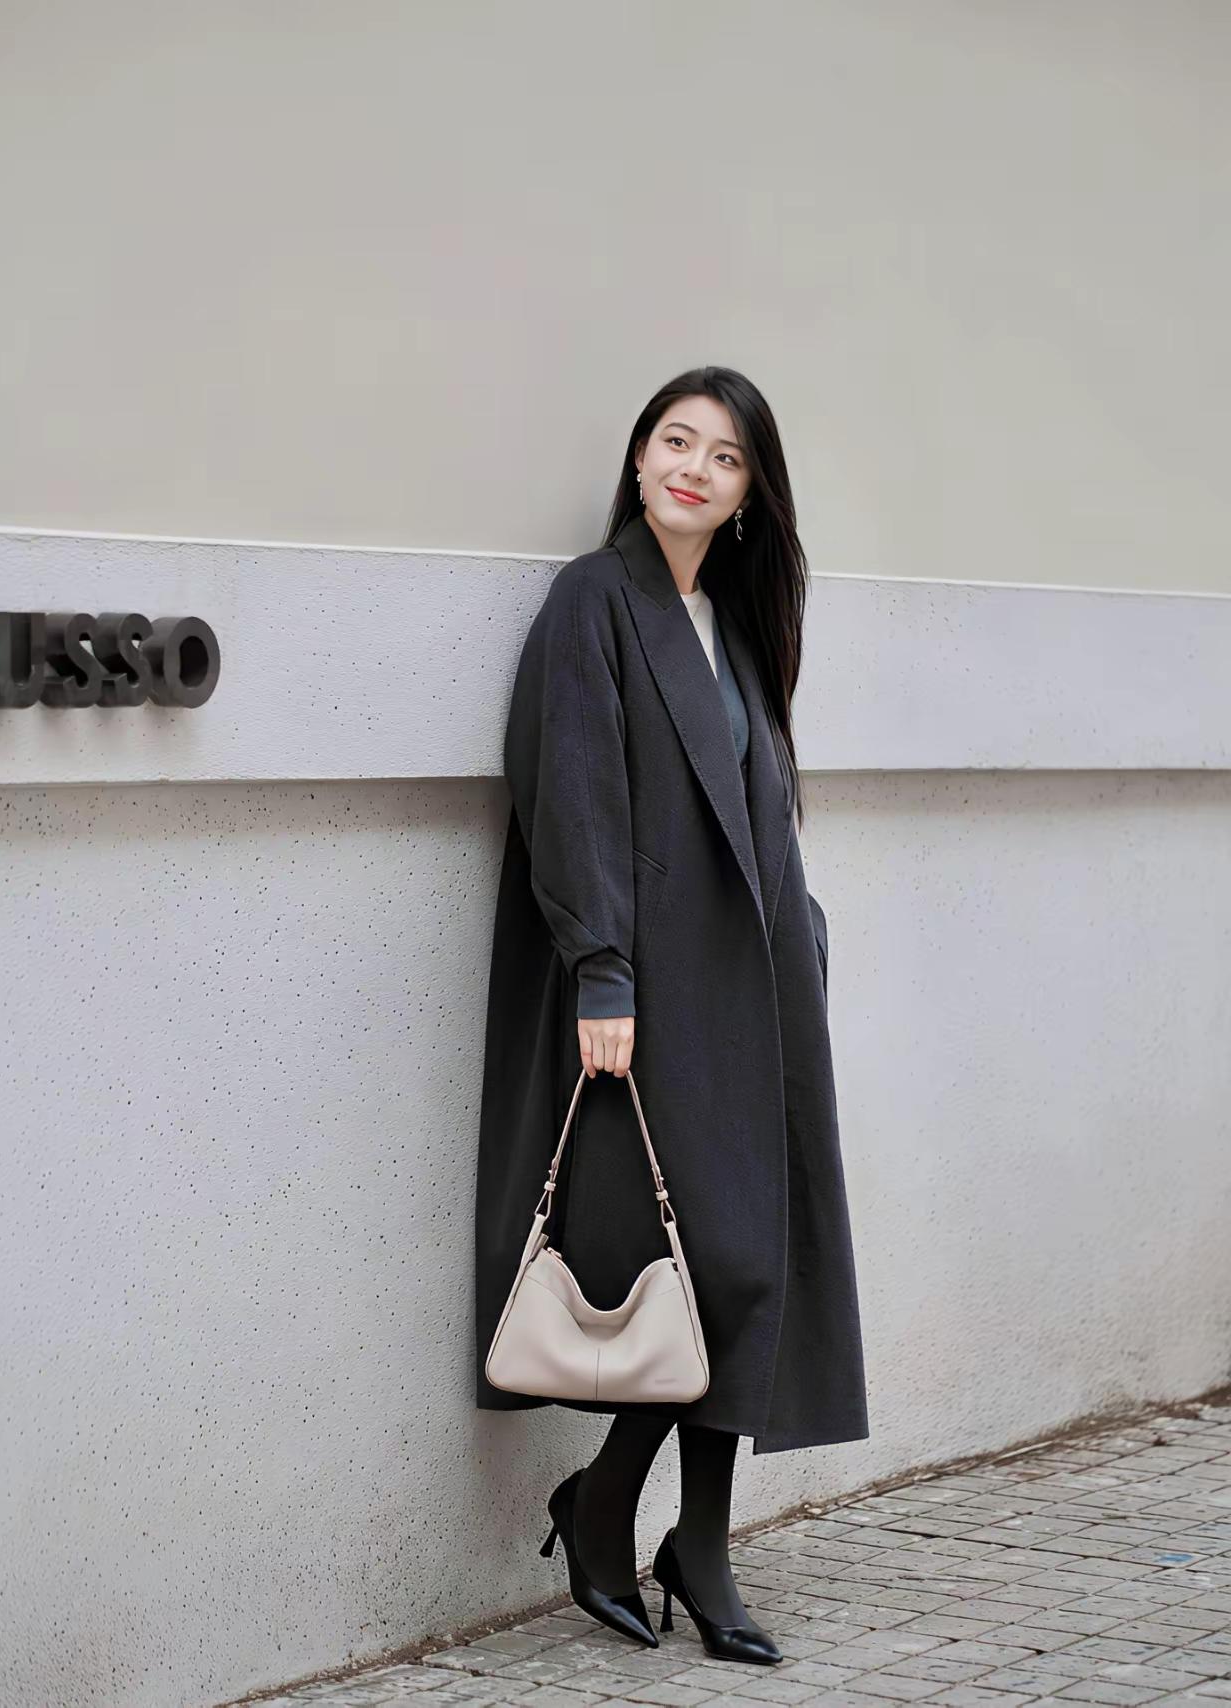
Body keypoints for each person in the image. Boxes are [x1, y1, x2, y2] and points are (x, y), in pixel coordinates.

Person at [474, 366, 868, 1665]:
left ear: (752, 494)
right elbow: (571, 787)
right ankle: (609, 1509)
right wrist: (601, 970)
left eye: (726, 455)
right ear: (640, 458)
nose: (695, 467)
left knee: (751, 1263)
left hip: (755, 985)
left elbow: (761, 806)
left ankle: (693, 1539)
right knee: (702, 1259)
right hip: (654, 984)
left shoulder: (735, 626)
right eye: (676, 441)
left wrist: (806, 931)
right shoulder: (595, 599)